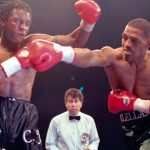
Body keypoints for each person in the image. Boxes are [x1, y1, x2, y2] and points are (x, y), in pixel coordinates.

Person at [0, 0, 101, 149]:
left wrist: (88, 23)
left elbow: (74, 42)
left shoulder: (34, 42)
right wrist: (17, 62)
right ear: (3, 21)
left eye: (27, 23)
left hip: (25, 113)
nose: (23, 27)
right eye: (17, 21)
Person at [39, 18, 150, 150]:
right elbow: (90, 56)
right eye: (124, 38)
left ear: (148, 44)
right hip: (127, 129)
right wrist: (61, 52)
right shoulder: (113, 57)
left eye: (134, 41)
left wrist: (140, 105)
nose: (127, 44)